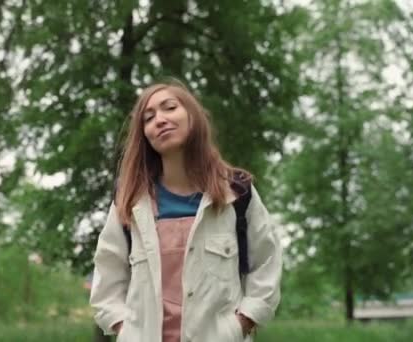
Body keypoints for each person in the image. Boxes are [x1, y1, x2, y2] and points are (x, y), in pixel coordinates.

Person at [89, 79, 282, 342]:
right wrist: (127, 331)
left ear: (193, 116)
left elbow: (266, 263)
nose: (159, 119)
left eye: (169, 108)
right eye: (148, 117)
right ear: (144, 134)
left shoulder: (235, 193)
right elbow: (107, 276)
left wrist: (240, 325)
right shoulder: (130, 202)